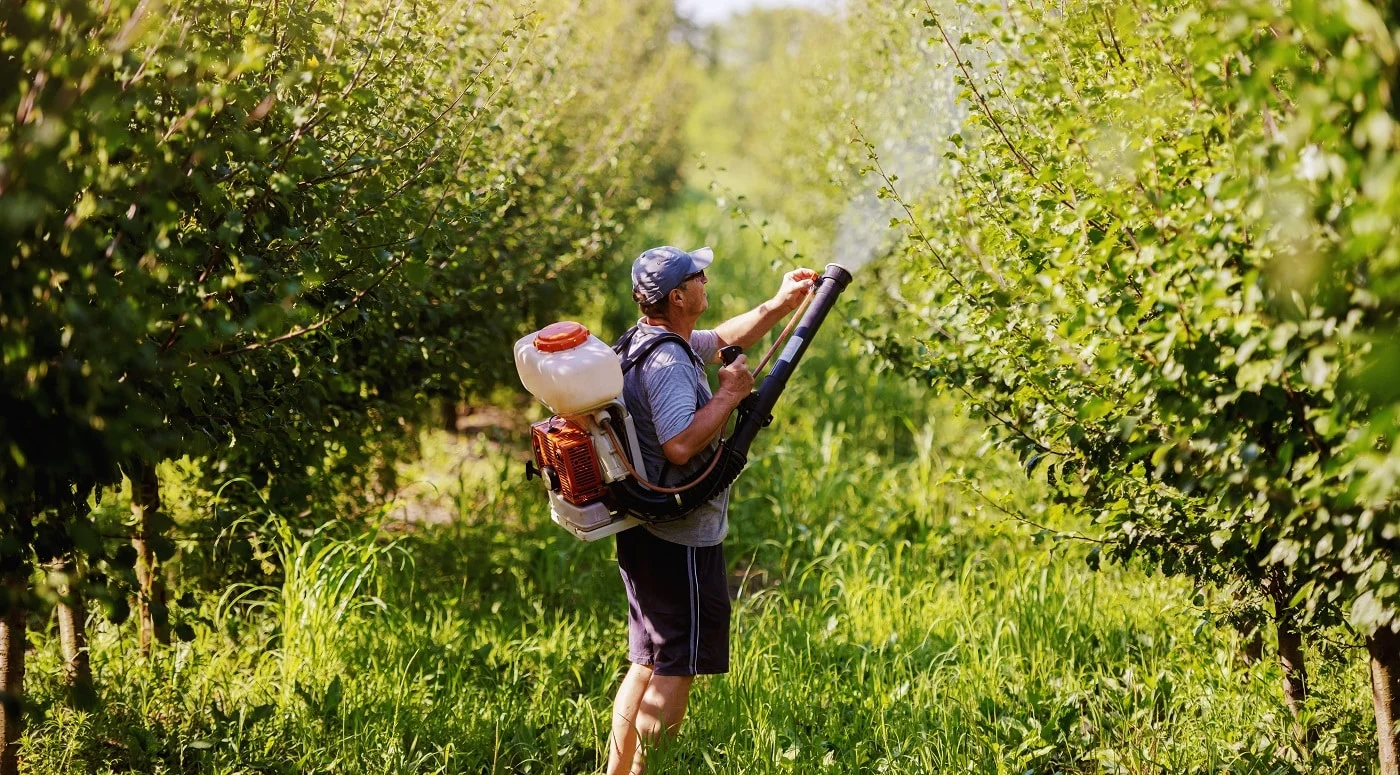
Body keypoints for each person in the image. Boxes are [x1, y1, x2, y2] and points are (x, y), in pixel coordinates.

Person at [606, 245, 817, 774]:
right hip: (679, 536)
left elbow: (722, 339)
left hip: (643, 524)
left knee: (647, 658)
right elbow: (680, 445)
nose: (705, 279)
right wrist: (730, 396)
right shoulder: (669, 362)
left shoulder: (645, 340)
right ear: (678, 296)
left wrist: (778, 304)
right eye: (696, 276)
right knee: (677, 662)